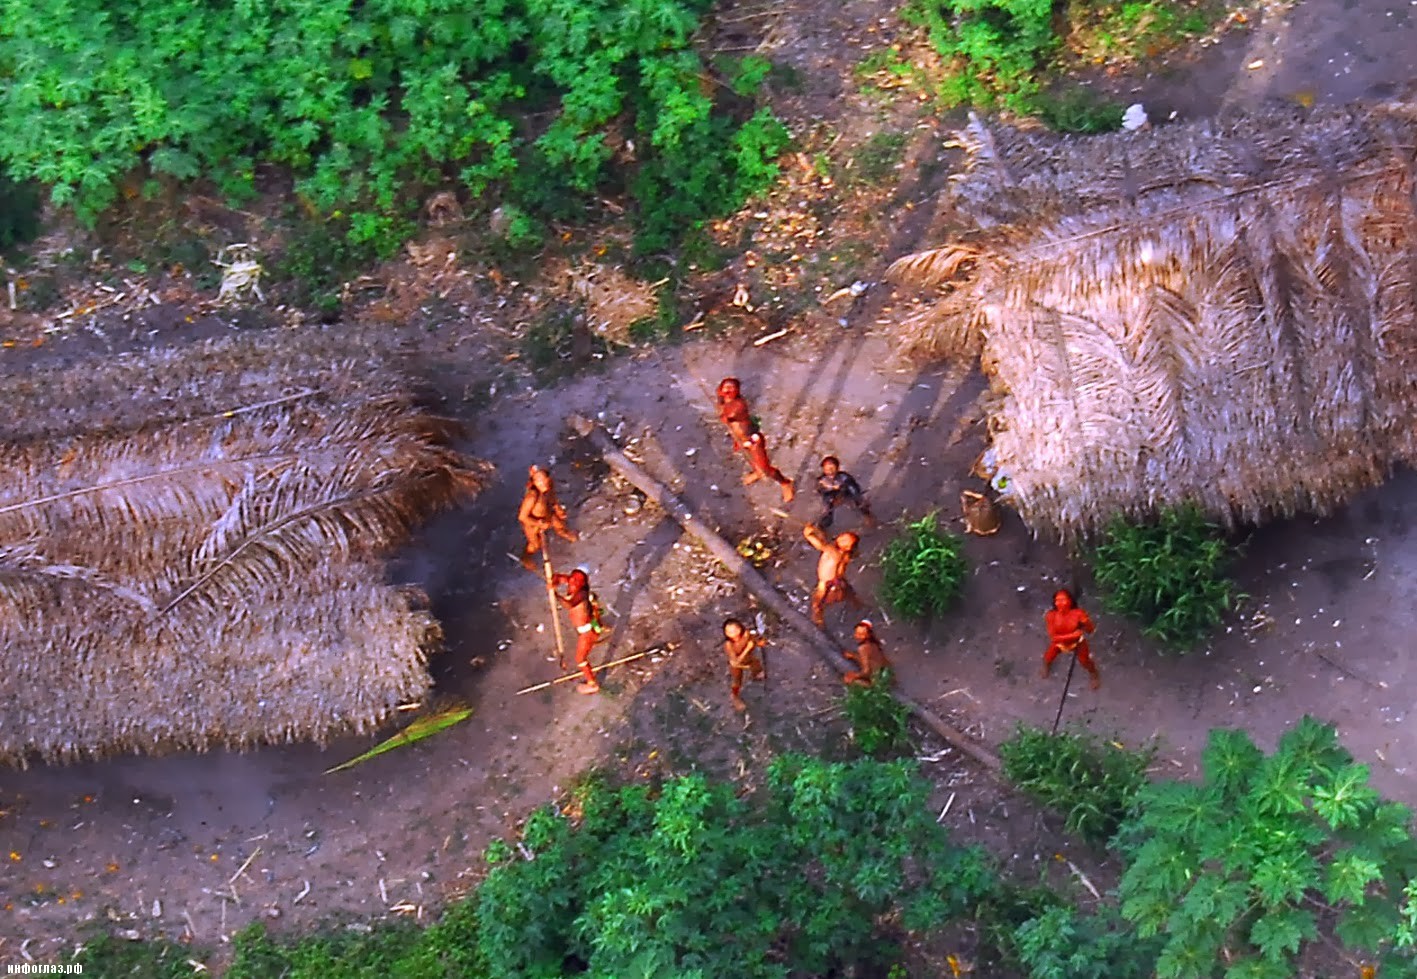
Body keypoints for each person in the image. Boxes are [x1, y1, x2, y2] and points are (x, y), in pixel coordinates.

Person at [716, 377, 795, 503]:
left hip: (753, 441)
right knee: (752, 462)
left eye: (732, 387)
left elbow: (728, 415)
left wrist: (721, 411)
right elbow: (721, 406)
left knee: (766, 469)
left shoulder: (739, 405)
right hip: (741, 440)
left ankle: (785, 483)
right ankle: (757, 472)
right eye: (726, 387)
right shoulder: (723, 400)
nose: (728, 390)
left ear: (737, 390)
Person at [551, 568, 610, 694]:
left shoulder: (581, 594)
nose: (571, 581)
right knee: (581, 656)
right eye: (571, 578)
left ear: (580, 583)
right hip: (586, 628)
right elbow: (560, 578)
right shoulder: (574, 583)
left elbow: (568, 605)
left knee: (580, 659)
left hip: (587, 633)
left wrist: (555, 595)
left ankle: (592, 683)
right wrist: (553, 580)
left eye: (574, 580)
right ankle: (601, 626)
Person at [518, 465, 578, 572]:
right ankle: (525, 557)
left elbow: (552, 499)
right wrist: (538, 523)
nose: (542, 482)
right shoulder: (532, 496)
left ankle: (566, 534)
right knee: (535, 544)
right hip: (533, 522)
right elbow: (522, 517)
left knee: (560, 525)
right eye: (538, 480)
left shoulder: (549, 487)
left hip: (547, 515)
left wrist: (558, 509)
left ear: (548, 478)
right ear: (534, 482)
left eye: (543, 478)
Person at [1041, 589, 1100, 690]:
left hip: (1078, 643)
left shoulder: (1078, 614)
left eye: (1063, 600)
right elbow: (1054, 638)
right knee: (1048, 657)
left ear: (1070, 601)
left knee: (1085, 661)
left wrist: (1086, 623)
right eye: (1057, 600)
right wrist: (1074, 635)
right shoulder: (1051, 616)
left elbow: (1090, 630)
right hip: (1060, 644)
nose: (1060, 603)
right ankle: (1046, 667)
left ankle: (1094, 675)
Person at [803, 522, 861, 627]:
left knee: (817, 606)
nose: (841, 537)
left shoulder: (833, 552)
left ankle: (819, 625)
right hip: (840, 581)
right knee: (850, 594)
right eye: (843, 535)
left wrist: (808, 535)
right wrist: (816, 530)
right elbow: (825, 540)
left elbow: (821, 545)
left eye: (845, 540)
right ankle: (859, 606)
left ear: (847, 548)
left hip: (827, 584)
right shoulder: (845, 555)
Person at [815, 456, 875, 530]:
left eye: (832, 468)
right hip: (831, 496)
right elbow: (820, 491)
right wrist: (830, 488)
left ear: (837, 468)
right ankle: (822, 527)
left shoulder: (844, 477)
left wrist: (842, 488)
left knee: (857, 497)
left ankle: (867, 515)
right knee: (827, 509)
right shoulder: (822, 480)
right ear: (823, 470)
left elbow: (854, 487)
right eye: (827, 470)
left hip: (846, 493)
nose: (830, 472)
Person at [722, 618, 766, 712]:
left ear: (740, 628)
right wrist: (747, 648)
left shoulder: (746, 634)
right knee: (737, 681)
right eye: (728, 631)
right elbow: (735, 662)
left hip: (749, 658)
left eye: (734, 630)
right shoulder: (728, 644)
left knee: (756, 664)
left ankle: (756, 674)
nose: (732, 633)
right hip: (737, 664)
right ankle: (734, 697)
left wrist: (759, 641)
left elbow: (758, 641)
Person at [843, 620, 890, 687]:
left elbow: (866, 672)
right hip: (885, 676)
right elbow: (868, 660)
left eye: (861, 635)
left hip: (876, 682)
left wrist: (854, 675)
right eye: (857, 633)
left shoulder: (862, 648)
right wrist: (854, 656)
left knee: (849, 680)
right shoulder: (874, 644)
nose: (857, 636)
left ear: (868, 635)